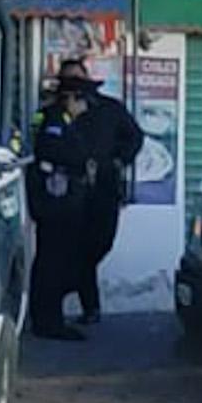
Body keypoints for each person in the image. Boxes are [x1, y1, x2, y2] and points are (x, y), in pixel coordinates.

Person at [27, 67, 99, 341]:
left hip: (63, 203)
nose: (87, 106)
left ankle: (50, 318)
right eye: (83, 100)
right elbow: (53, 151)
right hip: (55, 203)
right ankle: (49, 322)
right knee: (52, 262)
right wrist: (82, 162)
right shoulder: (54, 121)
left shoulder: (64, 120)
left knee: (59, 260)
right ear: (71, 98)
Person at [69, 62, 143, 327]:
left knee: (100, 244)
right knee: (74, 248)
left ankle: (72, 283)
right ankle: (90, 307)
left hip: (105, 187)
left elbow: (135, 136)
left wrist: (119, 161)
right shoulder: (55, 112)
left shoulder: (110, 109)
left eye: (78, 81)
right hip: (70, 190)